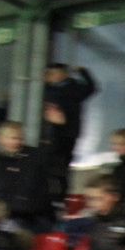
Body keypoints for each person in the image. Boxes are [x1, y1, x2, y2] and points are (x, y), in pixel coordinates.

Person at [0, 121, 54, 232]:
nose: (17, 142)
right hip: (0, 216)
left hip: (31, 218)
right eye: (13, 138)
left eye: (20, 138)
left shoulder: (34, 158)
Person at [42, 63, 98, 202]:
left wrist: (83, 72)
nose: (48, 77)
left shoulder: (73, 89)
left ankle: (59, 196)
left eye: (52, 73)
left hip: (66, 133)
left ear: (62, 74)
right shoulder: (45, 89)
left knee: (61, 165)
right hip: (50, 133)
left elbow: (91, 88)